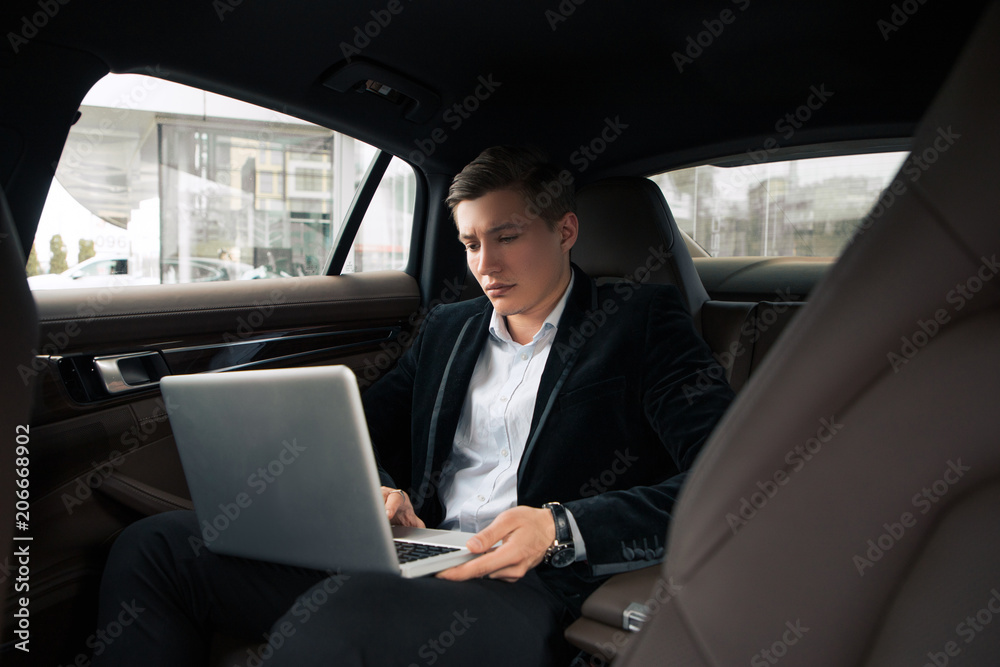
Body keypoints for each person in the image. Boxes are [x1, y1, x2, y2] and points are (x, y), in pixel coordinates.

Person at [92, 146, 734, 666]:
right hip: (417, 546)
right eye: (471, 243)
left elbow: (727, 478)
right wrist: (379, 488)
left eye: (507, 236)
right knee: (155, 548)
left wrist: (559, 526)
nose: (486, 265)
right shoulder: (448, 328)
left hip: (527, 584)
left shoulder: (640, 322)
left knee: (345, 616)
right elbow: (355, 435)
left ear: (565, 230)